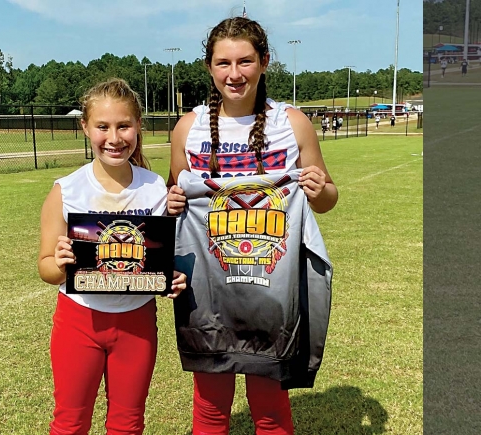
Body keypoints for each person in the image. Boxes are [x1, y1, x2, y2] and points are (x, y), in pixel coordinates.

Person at [166, 17, 338, 435]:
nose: (234, 73)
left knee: (270, 408)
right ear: (209, 67)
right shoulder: (187, 128)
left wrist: (318, 190)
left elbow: (328, 198)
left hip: (271, 290)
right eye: (223, 62)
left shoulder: (292, 122)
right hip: (209, 292)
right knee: (209, 407)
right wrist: (171, 201)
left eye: (245, 61)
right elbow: (175, 198)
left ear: (264, 62)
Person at [38, 78, 187, 435]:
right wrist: (58, 264)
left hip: (135, 322)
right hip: (79, 320)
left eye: (124, 126)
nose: (114, 138)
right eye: (103, 127)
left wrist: (174, 277)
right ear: (85, 127)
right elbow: (45, 266)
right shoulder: (66, 189)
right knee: (70, 422)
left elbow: (164, 256)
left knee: (128, 422)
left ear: (139, 126)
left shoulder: (155, 188)